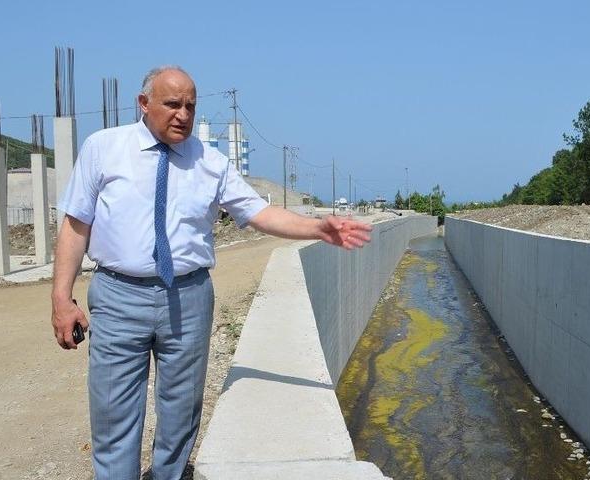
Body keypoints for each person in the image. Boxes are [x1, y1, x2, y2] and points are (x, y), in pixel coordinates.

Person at [50, 65, 372, 480]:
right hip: (117, 295)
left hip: (188, 297)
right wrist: (62, 299)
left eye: (190, 105)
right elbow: (76, 225)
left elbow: (257, 211)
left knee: (181, 408)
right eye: (172, 104)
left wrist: (316, 227)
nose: (182, 114)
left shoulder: (211, 162)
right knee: (112, 411)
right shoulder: (103, 148)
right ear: (143, 104)